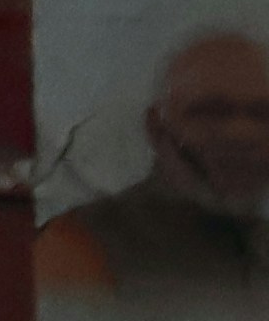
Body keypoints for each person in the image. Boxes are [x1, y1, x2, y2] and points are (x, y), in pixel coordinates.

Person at [38, 26, 269, 301]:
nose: (240, 134)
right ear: (157, 129)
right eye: (211, 112)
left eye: (262, 114)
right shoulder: (78, 245)